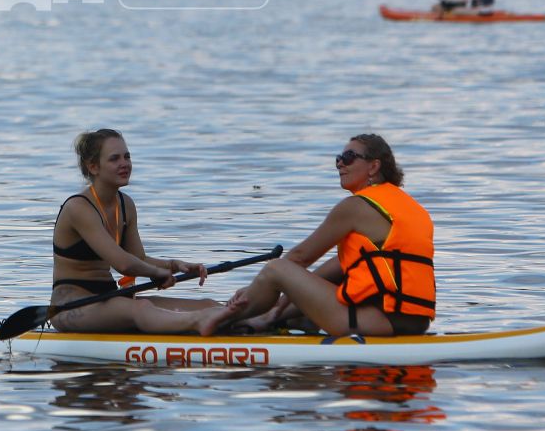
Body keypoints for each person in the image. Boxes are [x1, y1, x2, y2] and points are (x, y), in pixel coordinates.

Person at [198, 134, 435, 339]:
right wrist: (283, 305)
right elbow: (338, 267)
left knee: (276, 269)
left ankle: (222, 318)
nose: (340, 164)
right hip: (415, 322)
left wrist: (251, 291)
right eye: (338, 159)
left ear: (373, 167)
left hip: (373, 320)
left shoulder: (355, 207)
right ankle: (272, 319)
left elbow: (299, 257)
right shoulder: (409, 208)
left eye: (349, 157)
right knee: (310, 285)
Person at [49, 128, 218, 333]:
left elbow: (137, 258)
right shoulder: (79, 208)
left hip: (108, 299)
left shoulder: (126, 205)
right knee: (142, 308)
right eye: (114, 159)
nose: (124, 164)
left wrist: (174, 265)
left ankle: (253, 323)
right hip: (71, 308)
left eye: (127, 157)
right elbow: (123, 263)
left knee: (207, 304)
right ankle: (200, 324)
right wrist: (158, 273)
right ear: (93, 167)